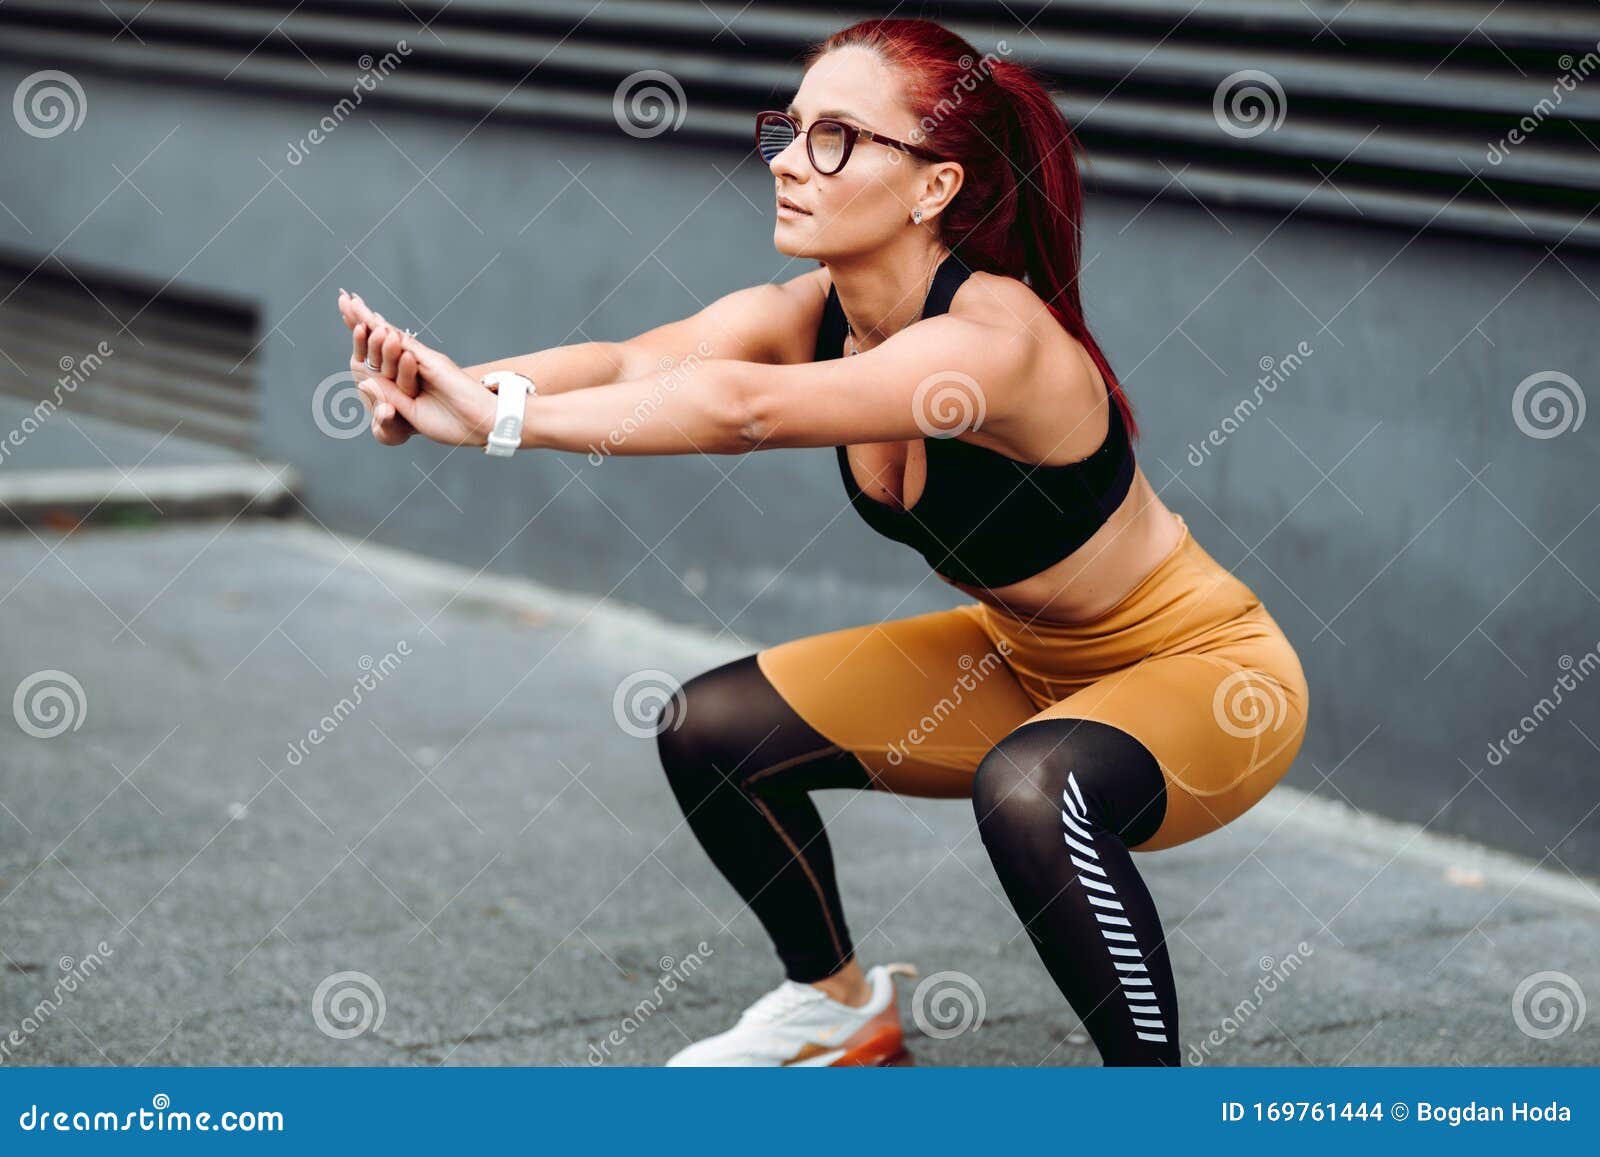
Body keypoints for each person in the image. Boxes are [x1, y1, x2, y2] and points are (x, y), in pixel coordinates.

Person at [337, 16, 1309, 1068]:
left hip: (1199, 677)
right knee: (709, 727)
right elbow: (630, 365)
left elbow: (743, 409)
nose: (790, 163)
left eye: (837, 138)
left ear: (933, 187)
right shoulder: (818, 311)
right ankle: (838, 1005)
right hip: (1024, 665)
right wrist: (450, 388)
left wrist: (500, 424)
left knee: (1031, 789)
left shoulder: (997, 343)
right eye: (788, 130)